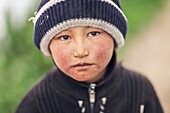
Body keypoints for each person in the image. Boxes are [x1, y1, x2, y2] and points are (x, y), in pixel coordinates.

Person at [15, 0, 164, 113]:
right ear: (48, 46)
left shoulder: (139, 90)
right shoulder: (38, 102)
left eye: (93, 33)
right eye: (65, 37)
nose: (80, 51)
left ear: (114, 38)